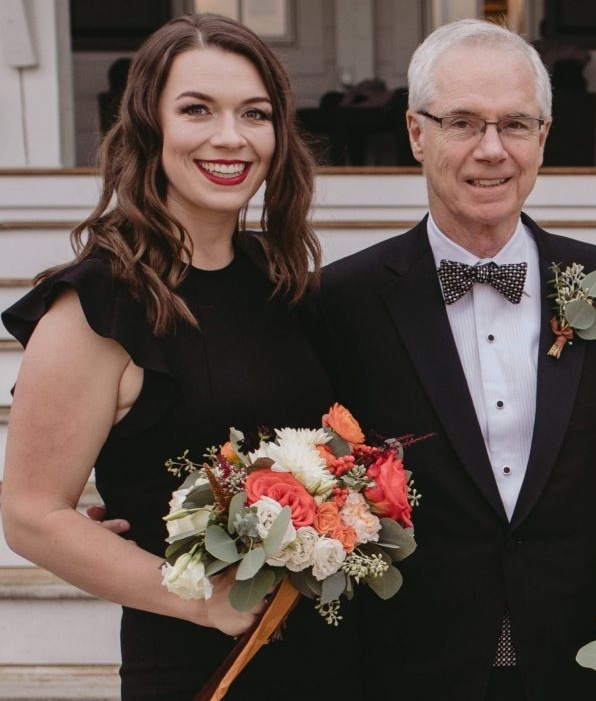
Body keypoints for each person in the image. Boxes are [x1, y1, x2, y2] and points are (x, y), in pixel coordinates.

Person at [0, 14, 355, 700]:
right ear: (148, 126)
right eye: (197, 109)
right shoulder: (97, 306)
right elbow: (31, 514)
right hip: (200, 664)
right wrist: (204, 601)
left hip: (329, 657)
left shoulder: (283, 284)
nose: (230, 136)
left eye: (255, 113)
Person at [315, 19, 596, 700]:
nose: (492, 150)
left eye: (515, 125)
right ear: (416, 133)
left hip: (580, 664)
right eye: (463, 123)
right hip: (408, 667)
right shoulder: (342, 302)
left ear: (544, 137)